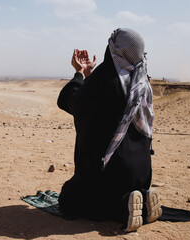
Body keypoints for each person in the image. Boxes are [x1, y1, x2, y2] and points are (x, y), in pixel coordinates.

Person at [57, 28, 162, 232]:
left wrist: (79, 73)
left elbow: (70, 102)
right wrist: (90, 75)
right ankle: (143, 197)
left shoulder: (105, 78)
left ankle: (123, 207)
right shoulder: (141, 80)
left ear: (113, 48)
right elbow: (98, 104)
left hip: (112, 174)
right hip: (141, 171)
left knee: (69, 199)